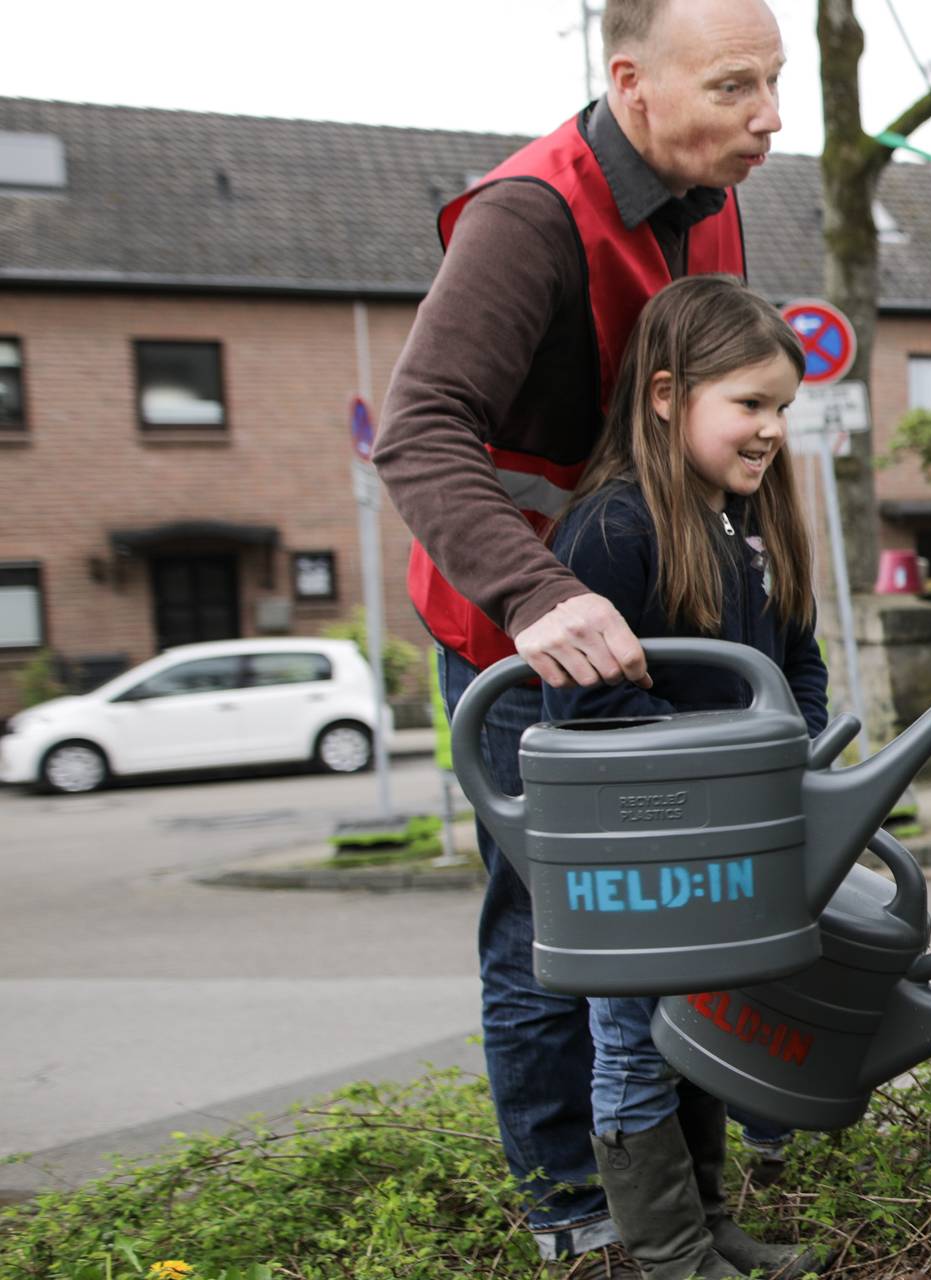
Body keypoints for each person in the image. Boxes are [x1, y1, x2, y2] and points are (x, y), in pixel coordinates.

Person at [372, 0, 793, 1265]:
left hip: (663, 609)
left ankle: (682, 1185)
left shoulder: (709, 187)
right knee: (552, 919)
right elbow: (420, 427)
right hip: (524, 630)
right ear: (631, 83)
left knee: (684, 904)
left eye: (774, 85)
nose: (769, 119)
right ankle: (571, 1197)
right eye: (735, 88)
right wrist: (536, 594)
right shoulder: (527, 216)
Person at [542, 275, 827, 1280]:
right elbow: (586, 709)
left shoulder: (750, 531)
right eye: (749, 404)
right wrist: (717, 770)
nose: (770, 430)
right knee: (632, 1041)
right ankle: (667, 1253)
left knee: (699, 1025)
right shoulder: (613, 532)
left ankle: (711, 1227)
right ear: (666, 396)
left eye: (782, 409)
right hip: (636, 852)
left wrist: (790, 748)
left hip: (717, 845)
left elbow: (799, 664)